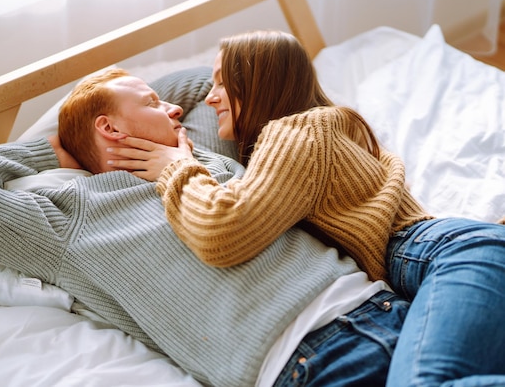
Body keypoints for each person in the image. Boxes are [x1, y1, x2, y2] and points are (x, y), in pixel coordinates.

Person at [0, 67, 409, 387]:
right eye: (151, 102)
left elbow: (205, 83)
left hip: (385, 301)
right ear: (110, 128)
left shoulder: (201, 154)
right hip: (311, 358)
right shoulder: (69, 215)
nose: (172, 109)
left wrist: (162, 143)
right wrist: (60, 145)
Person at [106, 31, 505, 386]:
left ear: (256, 84)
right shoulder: (309, 133)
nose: (208, 97)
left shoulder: (295, 132)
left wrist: (176, 167)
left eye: (222, 84)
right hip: (442, 260)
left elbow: (224, 230)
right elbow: (192, 85)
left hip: (444, 255)